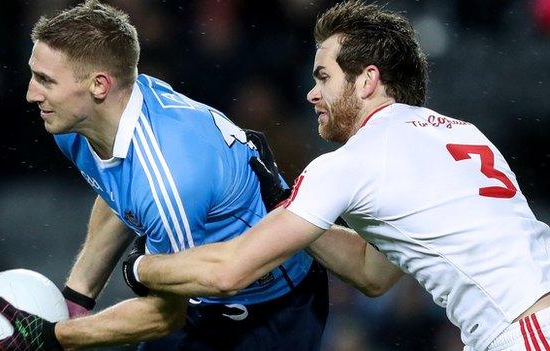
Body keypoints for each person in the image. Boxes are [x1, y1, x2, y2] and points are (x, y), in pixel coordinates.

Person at [125, 2, 550, 351]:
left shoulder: (354, 160)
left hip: (526, 328)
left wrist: (142, 268)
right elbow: (373, 272)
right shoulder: (457, 132)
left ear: (368, 80)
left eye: (324, 77)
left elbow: (229, 272)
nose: (312, 93)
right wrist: (283, 201)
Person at [0, 1, 328, 350]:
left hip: (268, 311)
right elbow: (119, 192)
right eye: (34, 74)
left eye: (46, 80)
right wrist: (76, 302)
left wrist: (55, 337)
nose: (32, 93)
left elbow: (166, 315)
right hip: (201, 293)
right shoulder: (84, 121)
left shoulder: (169, 177)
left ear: (98, 85)